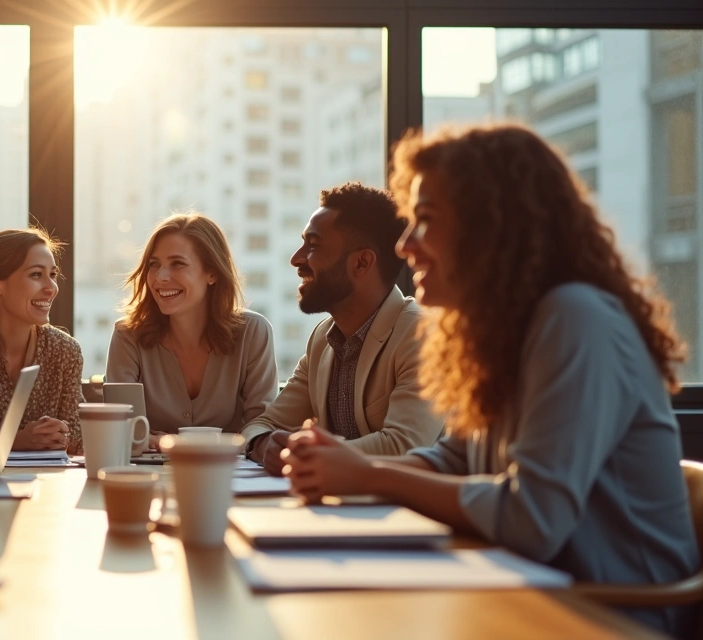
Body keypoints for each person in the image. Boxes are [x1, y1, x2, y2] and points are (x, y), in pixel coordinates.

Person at [282, 124, 699, 638]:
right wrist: (343, 466)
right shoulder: (498, 334)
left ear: (491, 225)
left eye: (425, 221)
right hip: (530, 592)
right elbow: (453, 459)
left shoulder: (575, 317)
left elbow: (533, 521)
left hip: (609, 615)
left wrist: (369, 477)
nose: (406, 246)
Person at [243, 183, 442, 475]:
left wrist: (304, 452)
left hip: (409, 515)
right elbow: (261, 426)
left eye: (313, 245)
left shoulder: (421, 334)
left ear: (362, 262)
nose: (296, 259)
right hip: (341, 509)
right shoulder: (323, 339)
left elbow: (405, 446)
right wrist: (264, 444)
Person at [106, 212, 277, 449]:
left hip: (229, 476)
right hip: (149, 476)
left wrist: (168, 442)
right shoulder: (128, 335)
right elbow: (121, 430)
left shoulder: (254, 332)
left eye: (178, 264)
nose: (160, 277)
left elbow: (260, 428)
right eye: (154, 265)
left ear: (212, 273)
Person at [0, 229, 85, 454]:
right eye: (37, 275)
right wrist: (19, 440)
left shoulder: (65, 350)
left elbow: (76, 438)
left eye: (53, 275)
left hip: (51, 483)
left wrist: (60, 435)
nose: (51, 289)